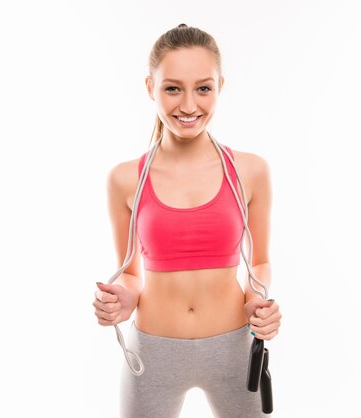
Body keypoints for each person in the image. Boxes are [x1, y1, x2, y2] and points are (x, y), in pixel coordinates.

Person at [92, 23, 282, 418]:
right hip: (155, 352)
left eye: (204, 88)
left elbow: (259, 261)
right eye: (173, 88)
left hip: (232, 349)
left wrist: (256, 299)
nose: (189, 105)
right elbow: (130, 272)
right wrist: (123, 300)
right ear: (150, 87)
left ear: (220, 86)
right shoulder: (125, 179)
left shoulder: (250, 171)